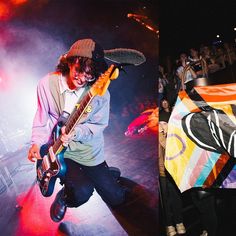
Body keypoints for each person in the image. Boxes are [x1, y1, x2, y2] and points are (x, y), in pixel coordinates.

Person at [27, 38, 126, 222]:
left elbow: (98, 125)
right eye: (79, 71)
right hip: (62, 152)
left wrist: (77, 132)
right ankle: (65, 197)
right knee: (81, 193)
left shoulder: (100, 93)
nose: (82, 79)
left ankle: (104, 174)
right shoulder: (46, 84)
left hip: (89, 153)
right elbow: (42, 116)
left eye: (89, 76)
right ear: (69, 62)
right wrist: (36, 142)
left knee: (117, 199)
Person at [159, 99, 186, 236]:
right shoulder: (156, 129)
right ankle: (169, 224)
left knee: (175, 195)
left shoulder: (171, 128)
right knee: (164, 198)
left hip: (173, 167)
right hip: (161, 170)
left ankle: (179, 221)